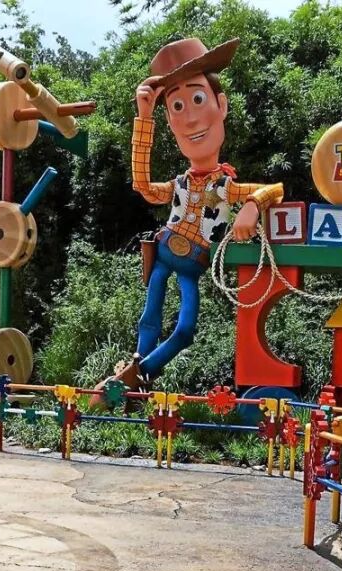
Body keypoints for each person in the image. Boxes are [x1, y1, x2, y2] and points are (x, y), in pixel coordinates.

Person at [110, 37, 285, 390]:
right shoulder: (178, 183)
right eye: (177, 106)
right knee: (150, 315)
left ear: (222, 105)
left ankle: (144, 372)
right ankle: (137, 365)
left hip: (194, 262)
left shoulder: (224, 186)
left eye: (198, 99)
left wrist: (252, 206)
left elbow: (275, 189)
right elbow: (143, 186)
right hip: (164, 253)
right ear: (170, 121)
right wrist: (144, 118)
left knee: (186, 328)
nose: (190, 118)